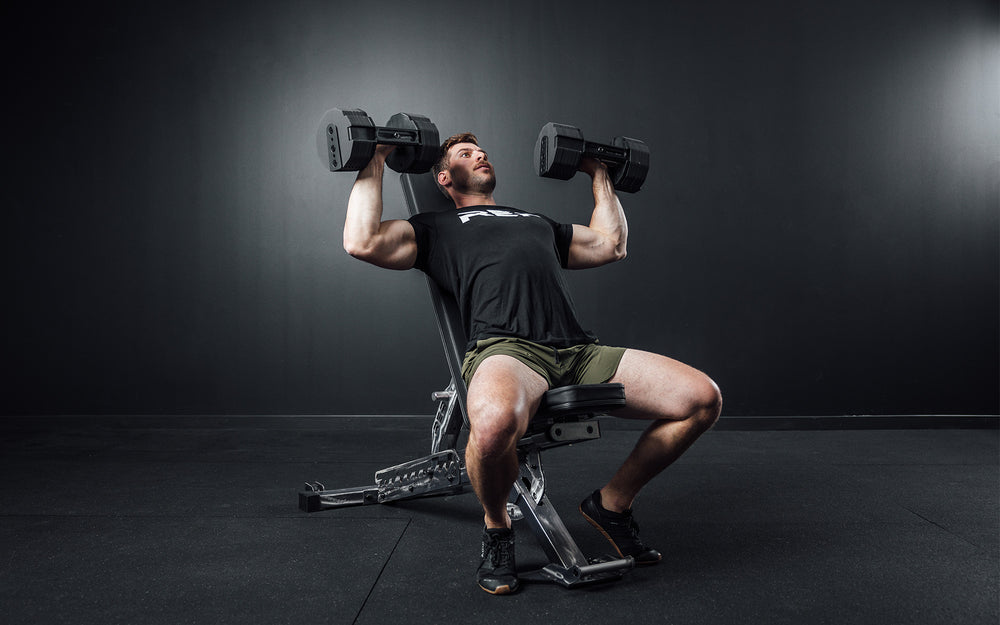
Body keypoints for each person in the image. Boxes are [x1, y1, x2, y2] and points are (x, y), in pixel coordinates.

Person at [343, 132, 722, 595]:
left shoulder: (535, 220)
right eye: (466, 154)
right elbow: (362, 241)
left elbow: (609, 244)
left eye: (482, 151)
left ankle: (611, 504)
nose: (481, 155)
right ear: (443, 177)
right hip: (508, 351)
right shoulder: (434, 228)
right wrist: (377, 156)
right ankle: (497, 527)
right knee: (494, 423)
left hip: (577, 350)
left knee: (701, 399)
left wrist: (599, 172)